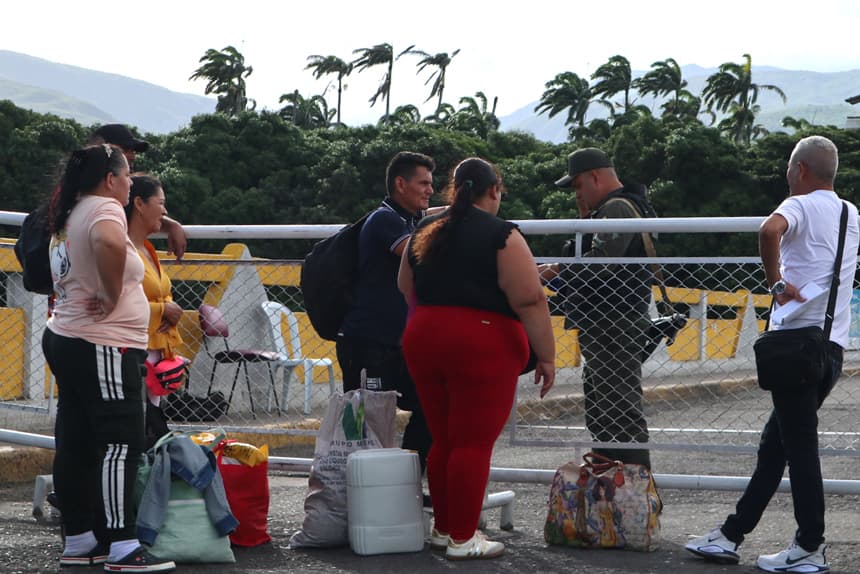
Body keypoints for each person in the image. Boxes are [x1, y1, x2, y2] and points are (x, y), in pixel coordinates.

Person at [686, 135, 859, 573]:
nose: (786, 175)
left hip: (795, 349)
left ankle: (810, 545)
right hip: (830, 349)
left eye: (788, 168)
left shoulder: (798, 205)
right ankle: (730, 534)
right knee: (775, 446)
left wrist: (776, 282)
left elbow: (768, 230)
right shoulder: (849, 213)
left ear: (800, 170)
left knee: (798, 446)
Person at [398, 157, 556, 560]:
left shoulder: (426, 227)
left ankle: (445, 528)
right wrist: (547, 356)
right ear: (494, 191)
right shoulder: (503, 235)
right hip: (482, 342)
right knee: (473, 443)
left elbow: (404, 285)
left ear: (455, 189)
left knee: (444, 438)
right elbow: (530, 300)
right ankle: (465, 538)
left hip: (423, 337)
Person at [42, 144, 176, 572]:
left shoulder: (71, 209)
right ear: (109, 180)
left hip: (69, 337)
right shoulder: (104, 209)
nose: (130, 182)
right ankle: (122, 545)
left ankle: (80, 540)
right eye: (126, 176)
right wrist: (112, 292)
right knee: (122, 442)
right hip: (103, 342)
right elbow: (108, 244)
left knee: (77, 442)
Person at [539, 147, 653, 469]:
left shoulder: (617, 207)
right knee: (604, 411)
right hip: (606, 321)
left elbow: (602, 263)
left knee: (619, 411)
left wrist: (556, 269)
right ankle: (610, 493)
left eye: (578, 186)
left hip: (614, 322)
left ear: (595, 176)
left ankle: (634, 496)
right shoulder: (609, 209)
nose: (578, 193)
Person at [335, 151, 435, 476]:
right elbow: (417, 254)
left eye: (432, 184)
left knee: (432, 406)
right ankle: (363, 498)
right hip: (366, 343)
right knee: (366, 424)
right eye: (423, 183)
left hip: (399, 345)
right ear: (400, 184)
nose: (429, 190)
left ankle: (404, 486)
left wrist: (459, 213)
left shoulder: (411, 220)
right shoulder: (385, 219)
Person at [125, 174, 186, 448]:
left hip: (155, 352)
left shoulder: (147, 248)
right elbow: (118, 302)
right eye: (160, 203)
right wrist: (163, 310)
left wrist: (166, 310)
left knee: (149, 425)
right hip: (134, 352)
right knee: (139, 430)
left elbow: (159, 291)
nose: (164, 211)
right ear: (139, 203)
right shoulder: (124, 249)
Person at [89, 124, 187, 261]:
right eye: (127, 150)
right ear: (103, 150)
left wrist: (170, 225)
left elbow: (135, 211)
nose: (133, 156)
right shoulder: (87, 199)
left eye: (134, 151)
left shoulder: (110, 194)